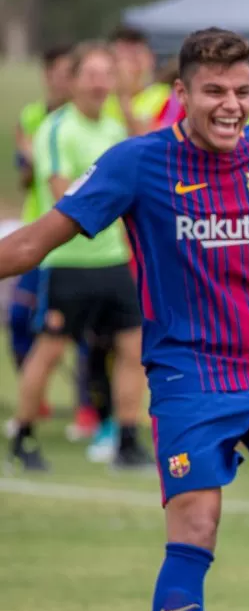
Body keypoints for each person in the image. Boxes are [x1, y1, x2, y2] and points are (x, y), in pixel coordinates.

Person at [0, 27, 249, 611]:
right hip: (189, 379)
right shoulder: (136, 163)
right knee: (197, 525)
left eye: (243, 90)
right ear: (182, 93)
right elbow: (36, 241)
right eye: (215, 90)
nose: (231, 104)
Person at [9, 41, 149, 471]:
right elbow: (59, 194)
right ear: (72, 81)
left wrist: (127, 106)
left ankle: (126, 440)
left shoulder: (113, 128)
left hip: (112, 260)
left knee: (132, 347)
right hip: (67, 261)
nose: (100, 82)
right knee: (50, 351)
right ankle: (23, 436)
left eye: (107, 73)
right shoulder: (56, 128)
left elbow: (147, 163)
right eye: (91, 73)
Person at [107, 24, 171, 135]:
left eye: (135, 57)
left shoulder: (168, 98)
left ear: (151, 59)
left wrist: (124, 98)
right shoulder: (100, 98)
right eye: (121, 58)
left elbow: (151, 143)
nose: (129, 66)